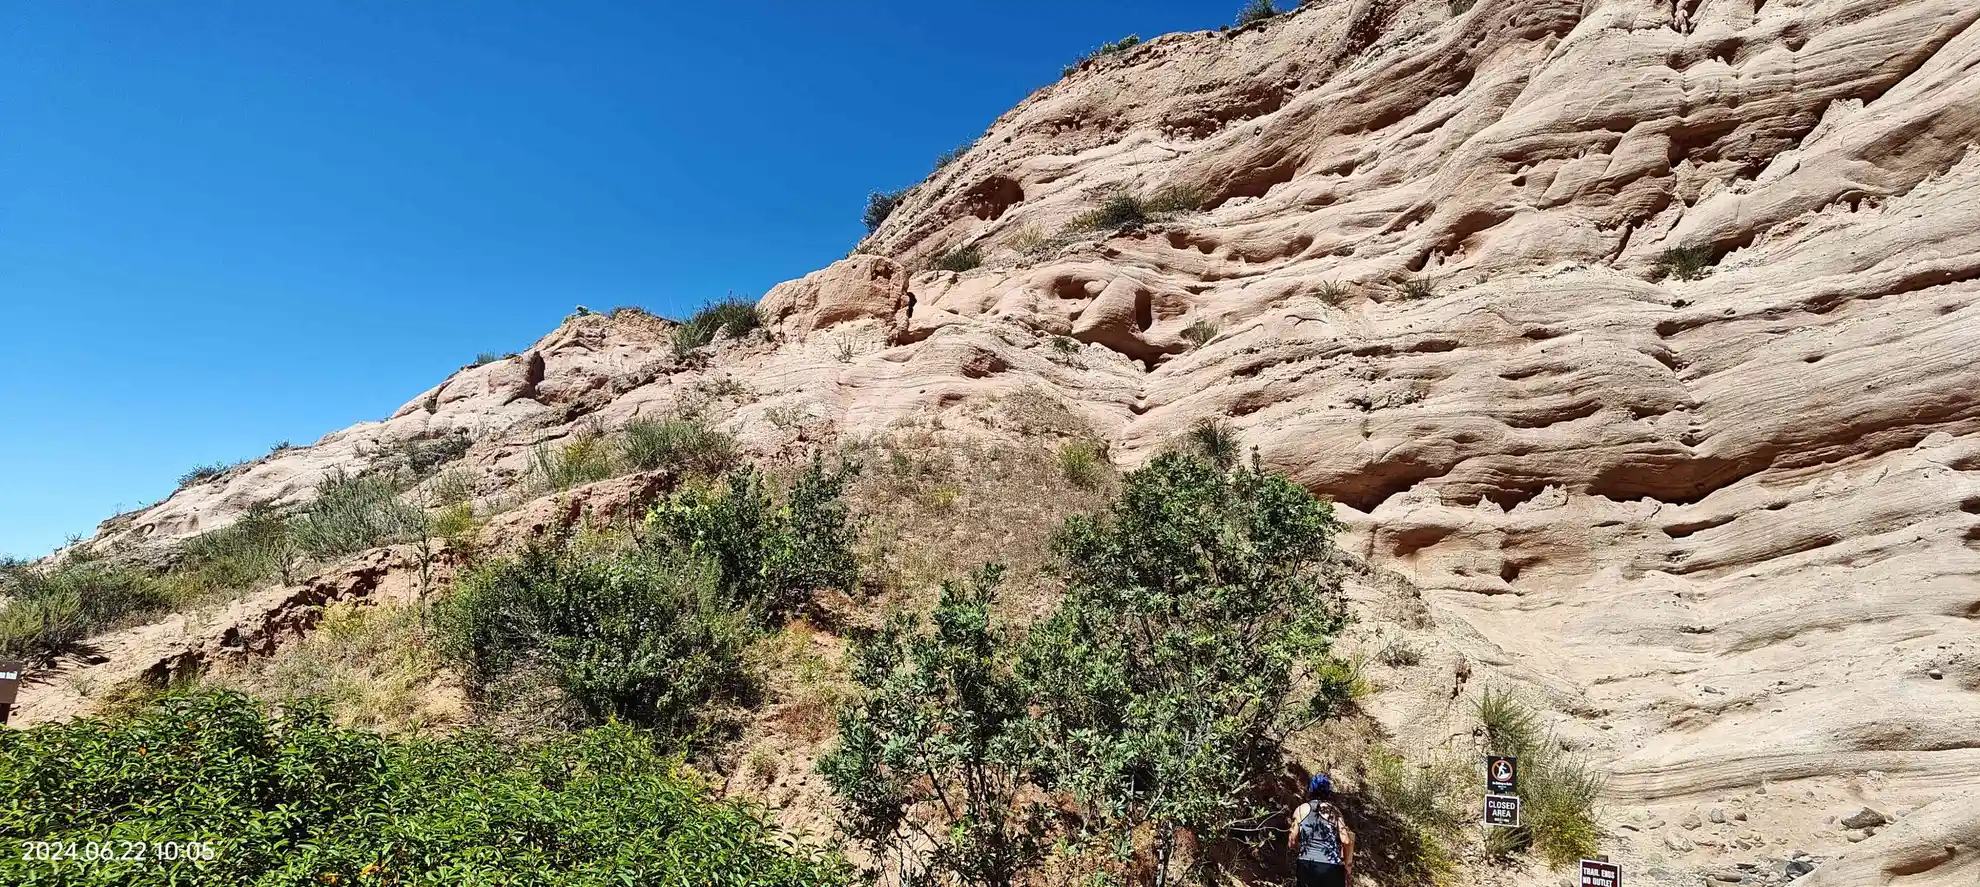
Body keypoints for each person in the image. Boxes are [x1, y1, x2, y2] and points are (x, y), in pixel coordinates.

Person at [1288, 774, 1353, 887]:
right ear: (1328, 792)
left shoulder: (1300, 810)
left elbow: (1291, 842)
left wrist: (1305, 848)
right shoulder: (1334, 811)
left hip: (1306, 865)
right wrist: (1348, 866)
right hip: (1331, 866)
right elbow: (1346, 841)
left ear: (1310, 790)